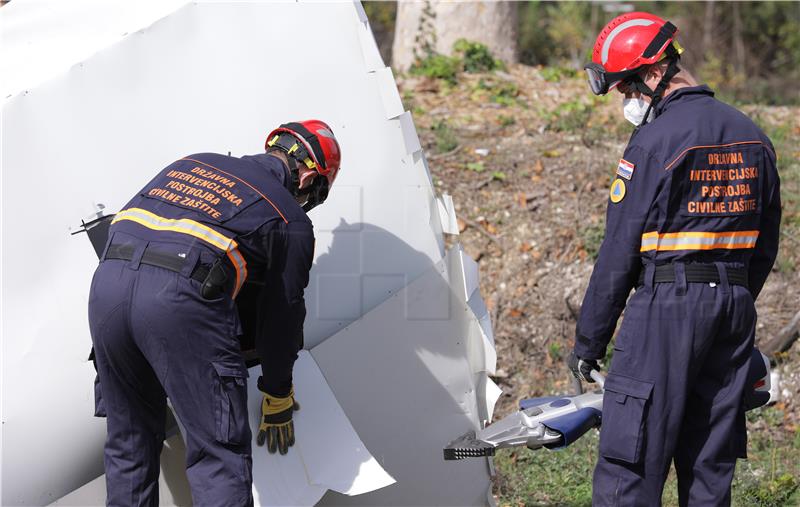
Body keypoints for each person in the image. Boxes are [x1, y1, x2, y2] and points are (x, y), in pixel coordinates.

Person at [568, 12, 781, 506]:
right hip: (732, 312)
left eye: (627, 90)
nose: (628, 102)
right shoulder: (752, 134)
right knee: (710, 464)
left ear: (654, 73)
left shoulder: (654, 141)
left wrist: (590, 340)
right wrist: (734, 296)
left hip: (666, 309)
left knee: (631, 463)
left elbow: (619, 250)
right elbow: (766, 242)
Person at [88, 120, 341, 506]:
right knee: (219, 457)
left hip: (107, 290)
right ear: (308, 177)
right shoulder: (289, 218)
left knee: (129, 444)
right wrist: (277, 392)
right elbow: (281, 316)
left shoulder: (190, 163)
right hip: (177, 301)